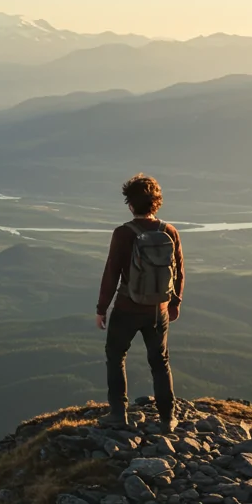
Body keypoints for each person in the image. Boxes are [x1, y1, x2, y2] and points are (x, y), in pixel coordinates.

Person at [95, 173, 185, 431]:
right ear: (156, 203)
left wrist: (101, 309)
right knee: (160, 362)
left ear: (131, 204)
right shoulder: (169, 231)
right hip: (159, 310)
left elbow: (111, 273)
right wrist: (175, 303)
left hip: (126, 307)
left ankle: (118, 413)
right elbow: (179, 270)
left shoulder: (123, 233)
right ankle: (168, 418)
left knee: (115, 356)